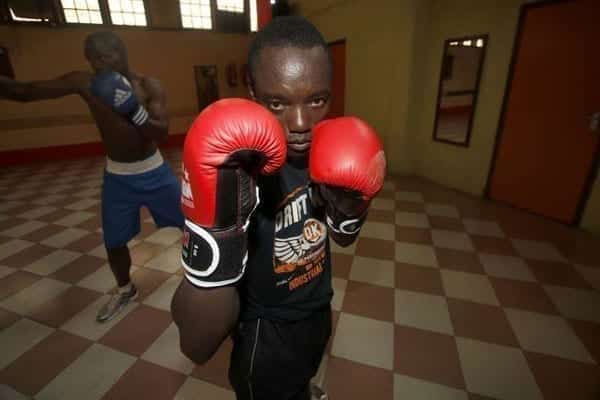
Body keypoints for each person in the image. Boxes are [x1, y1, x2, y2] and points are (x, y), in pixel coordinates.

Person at [171, 16, 385, 400]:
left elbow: (343, 239)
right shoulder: (236, 171)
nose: (301, 123)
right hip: (264, 332)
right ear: (253, 93)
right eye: (277, 102)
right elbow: (196, 346)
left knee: (301, 380)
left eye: (317, 100)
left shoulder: (332, 147)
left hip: (317, 309)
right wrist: (215, 229)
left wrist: (353, 204)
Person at [0, 31, 184, 323]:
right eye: (92, 58)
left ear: (121, 52)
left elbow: (160, 132)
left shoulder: (148, 85)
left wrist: (132, 110)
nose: (98, 63)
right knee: (113, 241)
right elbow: (27, 92)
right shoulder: (85, 83)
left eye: (104, 55)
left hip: (155, 172)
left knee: (193, 224)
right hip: (118, 178)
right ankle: (125, 290)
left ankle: (204, 275)